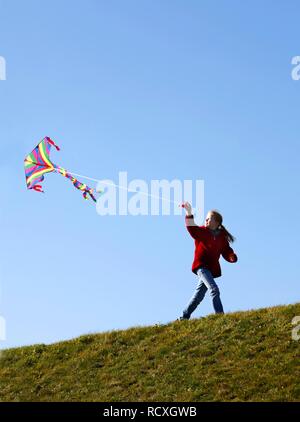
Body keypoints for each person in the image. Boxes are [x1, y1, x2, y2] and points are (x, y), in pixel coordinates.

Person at [179, 202, 238, 320]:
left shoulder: (221, 237)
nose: (206, 220)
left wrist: (231, 256)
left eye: (209, 219)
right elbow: (192, 229)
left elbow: (226, 250)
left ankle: (184, 317)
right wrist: (189, 213)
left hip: (211, 269)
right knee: (214, 289)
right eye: (205, 219)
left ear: (217, 223)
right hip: (201, 267)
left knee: (198, 296)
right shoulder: (202, 232)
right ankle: (220, 316)